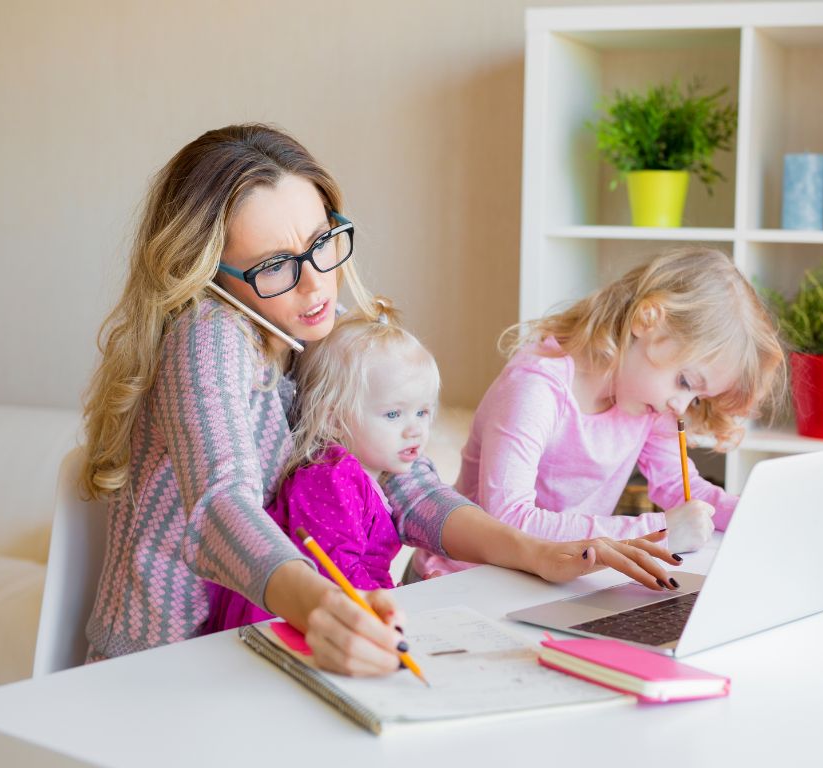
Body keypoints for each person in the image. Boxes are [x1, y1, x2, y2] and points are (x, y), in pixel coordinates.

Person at [79, 123, 677, 676]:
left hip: (253, 644)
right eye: (274, 267)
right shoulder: (207, 333)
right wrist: (320, 608)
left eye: (321, 244)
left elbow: (407, 484)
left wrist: (537, 552)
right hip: (164, 663)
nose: (316, 285)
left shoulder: (314, 326)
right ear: (210, 276)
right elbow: (219, 506)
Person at [414, 248, 785, 581]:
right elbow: (507, 520)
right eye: (686, 381)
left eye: (698, 398)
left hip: (552, 579)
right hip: (462, 580)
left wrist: (760, 514)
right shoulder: (537, 387)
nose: (681, 406)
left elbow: (684, 489)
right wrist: (656, 531)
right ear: (647, 321)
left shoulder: (647, 401)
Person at [208, 299, 452, 631]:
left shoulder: (366, 476)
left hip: (334, 615)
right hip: (277, 625)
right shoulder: (333, 478)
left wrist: (403, 597)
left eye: (422, 412)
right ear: (334, 419)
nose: (415, 429)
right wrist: (398, 607)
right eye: (394, 414)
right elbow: (338, 574)